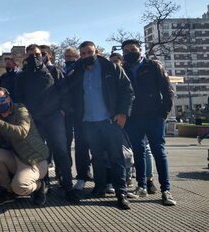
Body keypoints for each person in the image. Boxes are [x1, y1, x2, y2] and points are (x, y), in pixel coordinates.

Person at [68, 41, 134, 210]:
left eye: (89, 52)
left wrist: (122, 113)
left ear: (96, 51)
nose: (86, 56)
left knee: (116, 157)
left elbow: (127, 90)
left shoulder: (110, 67)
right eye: (83, 54)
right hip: (88, 122)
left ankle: (121, 193)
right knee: (96, 157)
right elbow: (70, 92)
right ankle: (99, 188)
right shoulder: (77, 71)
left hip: (110, 121)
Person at [15, 44, 80, 204]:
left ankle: (67, 186)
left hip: (54, 118)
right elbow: (18, 97)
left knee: (61, 151)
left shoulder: (54, 71)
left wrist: (63, 110)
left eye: (37, 54)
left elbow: (65, 90)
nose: (34, 57)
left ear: (45, 55)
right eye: (30, 55)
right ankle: (42, 186)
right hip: (34, 120)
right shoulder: (22, 76)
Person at [121, 39, 176, 206]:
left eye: (133, 49)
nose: (130, 52)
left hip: (154, 117)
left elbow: (167, 91)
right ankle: (141, 187)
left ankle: (166, 190)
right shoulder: (122, 69)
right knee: (138, 153)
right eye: (127, 50)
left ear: (140, 50)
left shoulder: (153, 66)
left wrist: (163, 113)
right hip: (133, 119)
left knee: (159, 152)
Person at [0, 87, 50, 206]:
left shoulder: (21, 110)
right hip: (17, 157)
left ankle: (39, 186)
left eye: (2, 99)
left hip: (34, 160)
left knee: (20, 187)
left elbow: (21, 132)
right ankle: (7, 191)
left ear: (8, 98)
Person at [62, 47, 93, 191]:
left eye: (70, 56)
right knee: (66, 143)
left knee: (82, 144)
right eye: (66, 56)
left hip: (81, 111)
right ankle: (65, 173)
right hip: (67, 112)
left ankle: (84, 173)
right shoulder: (62, 70)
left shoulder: (81, 68)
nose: (67, 59)